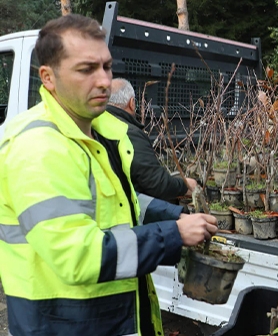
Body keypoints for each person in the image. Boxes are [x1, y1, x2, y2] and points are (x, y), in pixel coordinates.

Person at [0, 14, 218, 336]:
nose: (103, 80)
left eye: (106, 66)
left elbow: (116, 204)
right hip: (62, 323)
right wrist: (173, 234)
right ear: (48, 77)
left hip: (103, 317)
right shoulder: (40, 147)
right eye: (86, 69)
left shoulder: (95, 132)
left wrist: (176, 214)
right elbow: (79, 255)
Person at [107, 78, 198, 201]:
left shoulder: (97, 125)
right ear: (132, 103)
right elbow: (156, 183)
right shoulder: (128, 133)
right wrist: (185, 185)